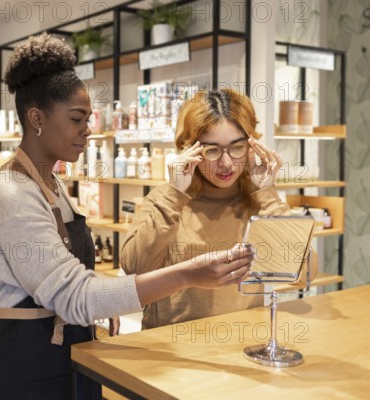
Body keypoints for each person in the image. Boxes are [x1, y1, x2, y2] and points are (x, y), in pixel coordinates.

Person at [0, 34, 253, 400]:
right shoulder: (8, 191)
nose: (88, 130)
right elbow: (76, 295)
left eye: (89, 119)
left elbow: (65, 276)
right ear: (36, 118)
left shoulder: (52, 183)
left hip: (63, 354)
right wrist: (189, 274)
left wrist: (100, 300)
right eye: (77, 119)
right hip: (22, 369)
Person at [121, 88, 315, 330]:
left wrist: (267, 192)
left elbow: (305, 272)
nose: (226, 163)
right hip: (170, 348)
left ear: (252, 146)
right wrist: (174, 195)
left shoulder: (259, 201)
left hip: (244, 342)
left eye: (237, 147)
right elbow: (133, 268)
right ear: (188, 148)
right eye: (212, 150)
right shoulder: (165, 199)